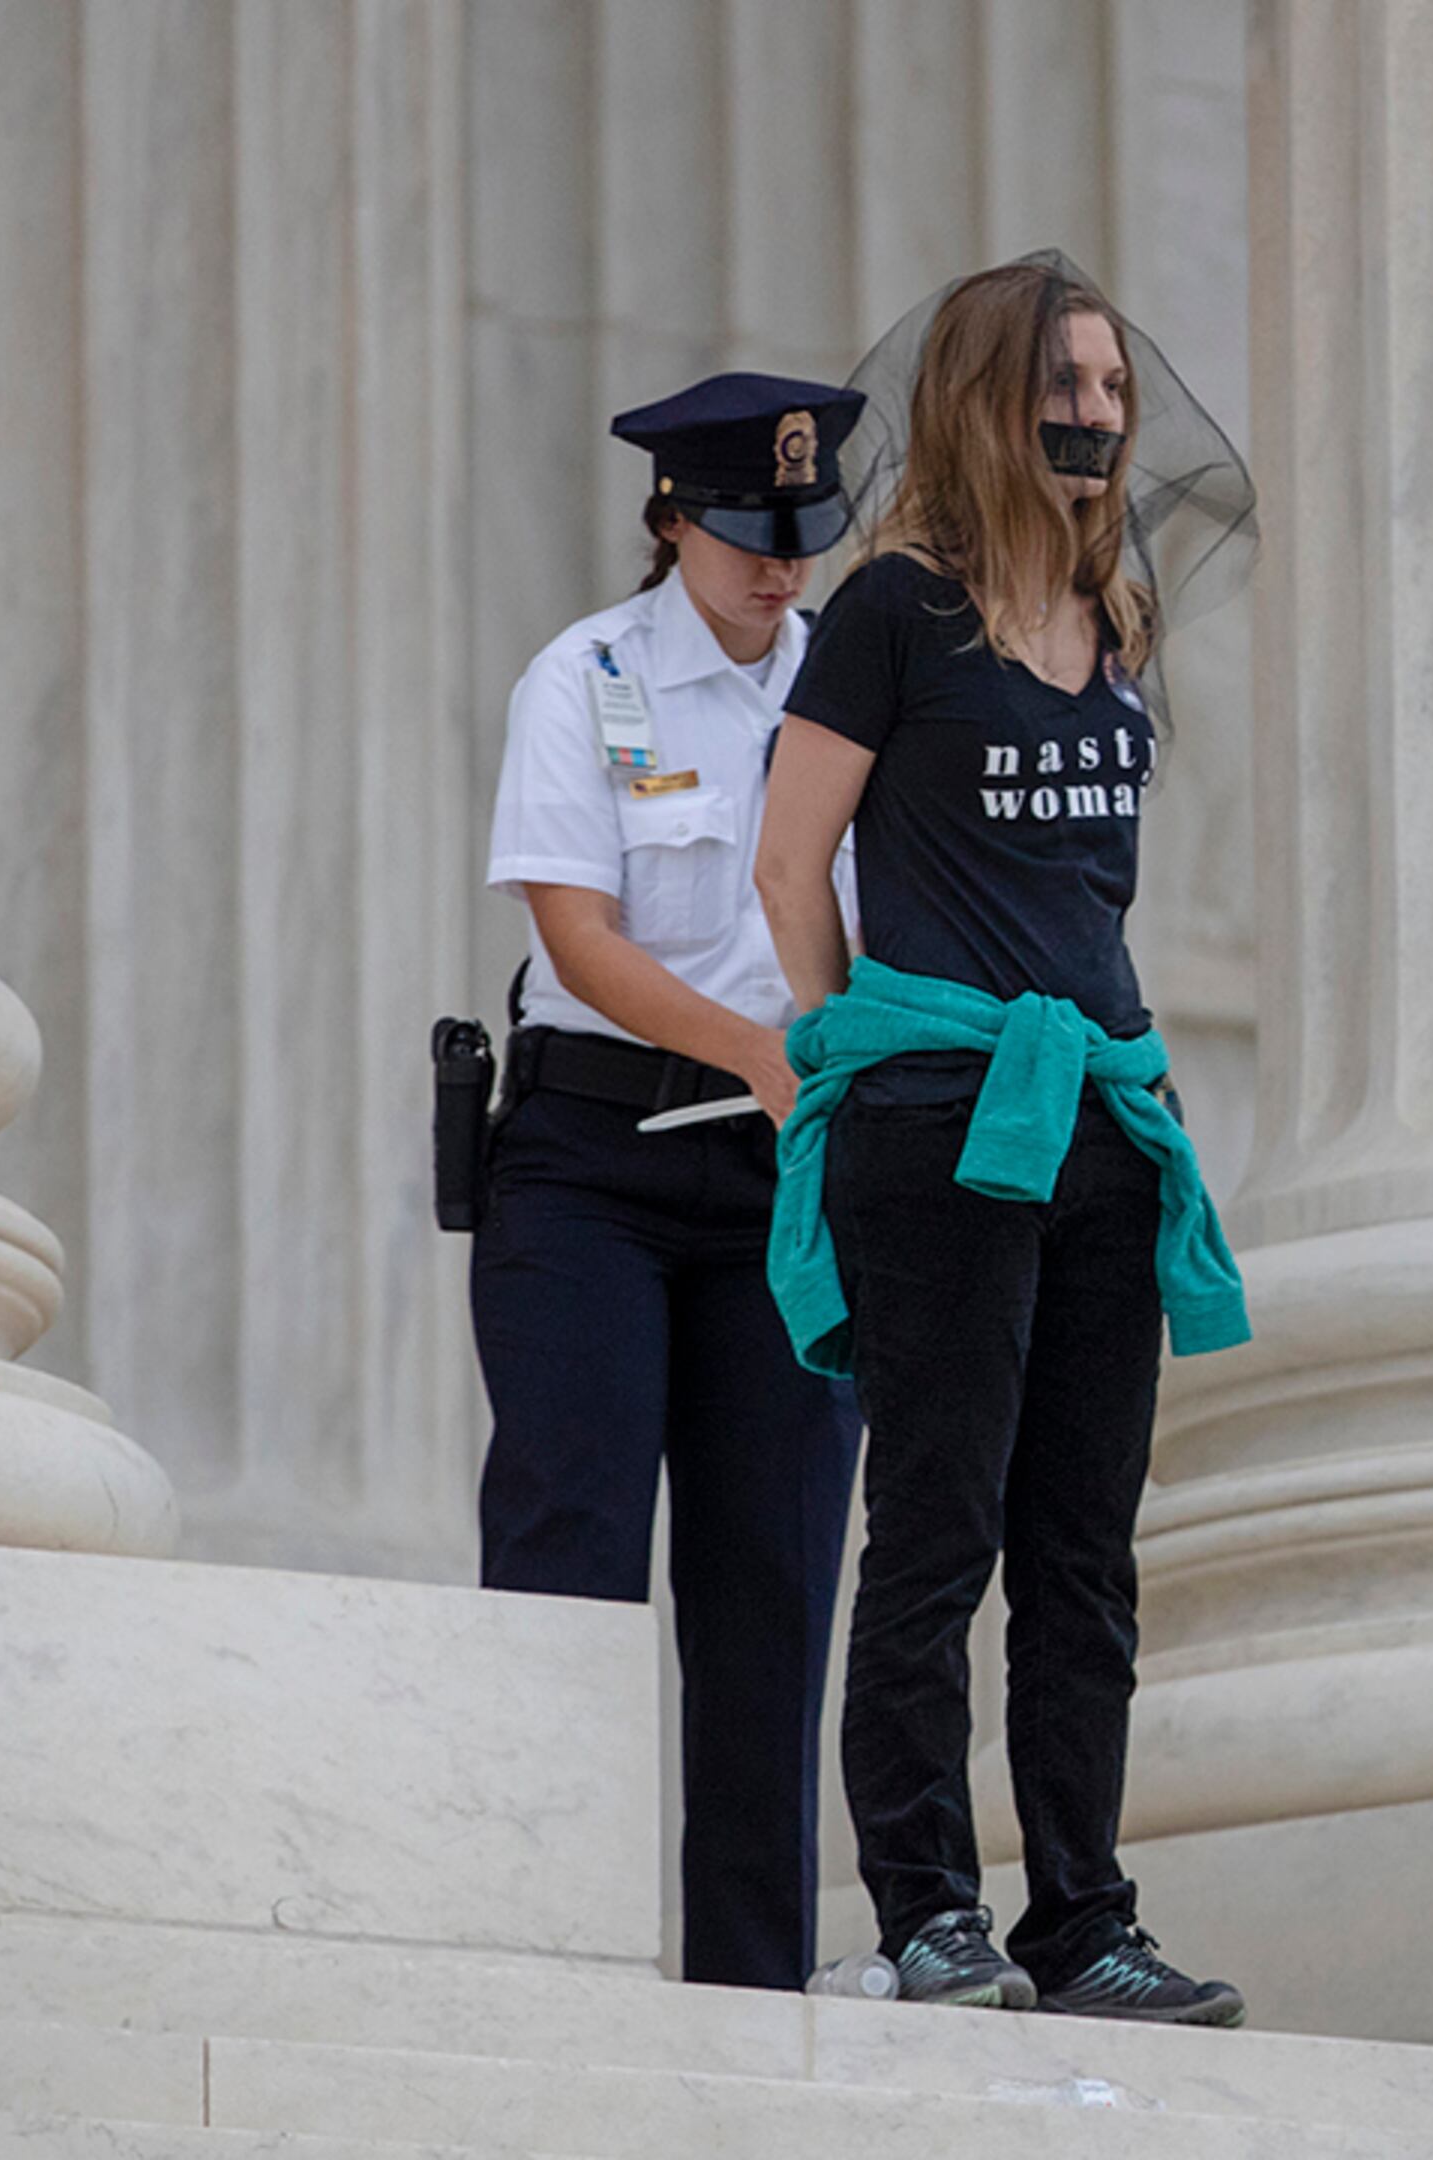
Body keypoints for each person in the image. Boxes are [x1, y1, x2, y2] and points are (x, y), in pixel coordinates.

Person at [751, 253, 1254, 2025]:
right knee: (939, 1527)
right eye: (1069, 388)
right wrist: (852, 1055)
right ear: (990, 399)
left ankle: (1084, 1919)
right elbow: (787, 861)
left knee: (1083, 1551)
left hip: (1102, 1116)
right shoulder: (895, 611)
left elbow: (1087, 891)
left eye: (1117, 392)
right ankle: (924, 1908)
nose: (1101, 420)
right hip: (947, 1121)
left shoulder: (1117, 625)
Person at [470, 372, 871, 1991]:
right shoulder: (587, 678)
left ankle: (753, 1981)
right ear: (671, 524)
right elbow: (577, 939)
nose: (777, 572)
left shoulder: (852, 686)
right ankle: (536, 1939)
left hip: (784, 1177)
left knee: (771, 1581)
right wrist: (759, 1052)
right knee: (570, 1541)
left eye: (800, 540)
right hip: (593, 1163)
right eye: (745, 540)